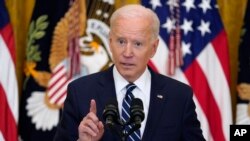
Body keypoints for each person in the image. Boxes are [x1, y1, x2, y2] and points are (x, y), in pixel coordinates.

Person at [53, 4, 205, 141]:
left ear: (153, 47)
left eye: (137, 44)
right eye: (121, 42)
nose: (127, 52)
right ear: (110, 42)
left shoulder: (178, 96)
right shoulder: (80, 92)